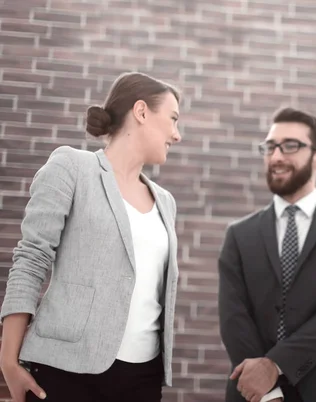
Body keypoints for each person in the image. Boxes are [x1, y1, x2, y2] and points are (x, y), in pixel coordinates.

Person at [0, 71, 182, 402]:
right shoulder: (72, 167)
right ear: (141, 112)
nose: (177, 134)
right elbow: (32, 258)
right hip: (66, 371)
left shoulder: (165, 203)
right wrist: (8, 361)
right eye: (172, 119)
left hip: (143, 377)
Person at [218, 107, 316, 402]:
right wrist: (265, 388)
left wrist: (275, 365)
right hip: (253, 392)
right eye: (270, 147)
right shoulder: (239, 234)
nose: (276, 156)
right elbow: (234, 318)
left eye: (290, 146)